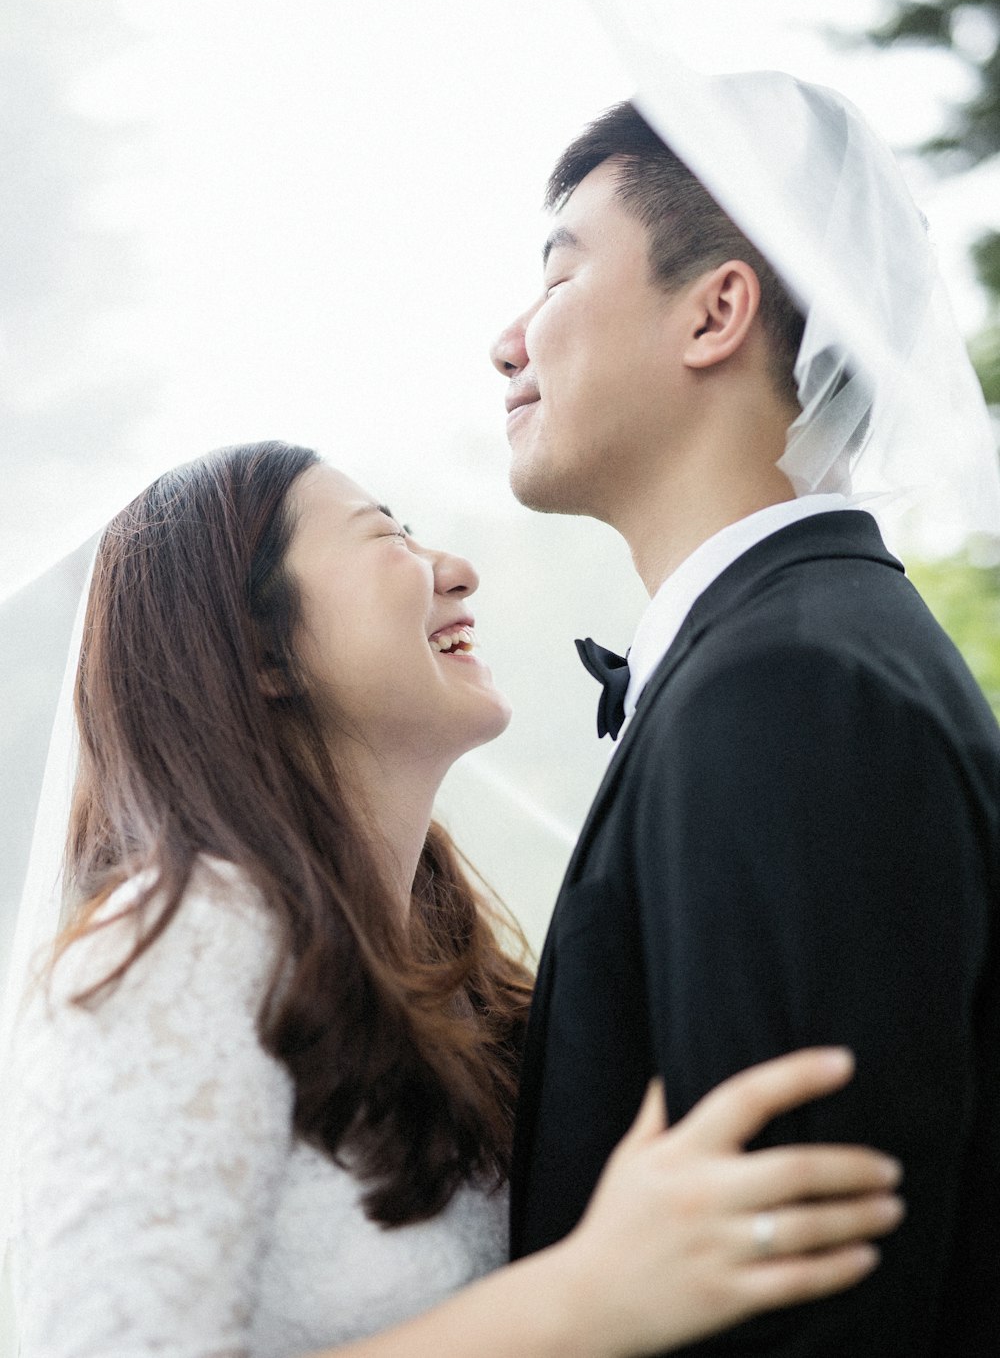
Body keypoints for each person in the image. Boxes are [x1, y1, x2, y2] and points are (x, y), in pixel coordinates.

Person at [10, 440, 904, 1358]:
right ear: (261, 649)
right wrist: (585, 1297)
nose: (459, 570)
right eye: (386, 535)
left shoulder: (450, 962)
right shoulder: (183, 940)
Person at [491, 98, 1000, 1355]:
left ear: (716, 313)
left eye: (557, 272)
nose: (506, 341)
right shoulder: (804, 651)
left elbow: (798, 1296)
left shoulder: (791, 693)